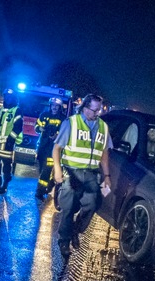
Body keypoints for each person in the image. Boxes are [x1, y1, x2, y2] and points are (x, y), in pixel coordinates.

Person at [52, 94, 113, 259]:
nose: (97, 113)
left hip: (91, 173)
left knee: (92, 205)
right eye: (94, 110)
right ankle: (64, 241)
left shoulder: (103, 127)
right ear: (85, 108)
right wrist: (57, 169)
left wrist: (106, 175)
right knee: (68, 208)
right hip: (71, 171)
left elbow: (104, 153)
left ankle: (75, 230)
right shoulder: (71, 123)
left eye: (99, 109)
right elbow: (57, 149)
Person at [0, 88, 23, 196]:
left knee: (7, 166)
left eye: (10, 96)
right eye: (6, 96)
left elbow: (18, 128)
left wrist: (10, 140)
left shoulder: (17, 110)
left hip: (7, 145)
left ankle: (5, 185)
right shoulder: (0, 110)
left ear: (14, 98)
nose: (7, 98)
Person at [35, 96, 65, 200]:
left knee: (46, 169)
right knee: (42, 169)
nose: (54, 107)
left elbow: (64, 132)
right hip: (42, 147)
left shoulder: (63, 118)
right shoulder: (44, 115)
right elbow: (36, 127)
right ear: (50, 105)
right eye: (53, 105)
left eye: (57, 106)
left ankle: (40, 191)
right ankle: (49, 185)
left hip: (53, 148)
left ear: (60, 107)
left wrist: (57, 135)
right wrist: (40, 128)